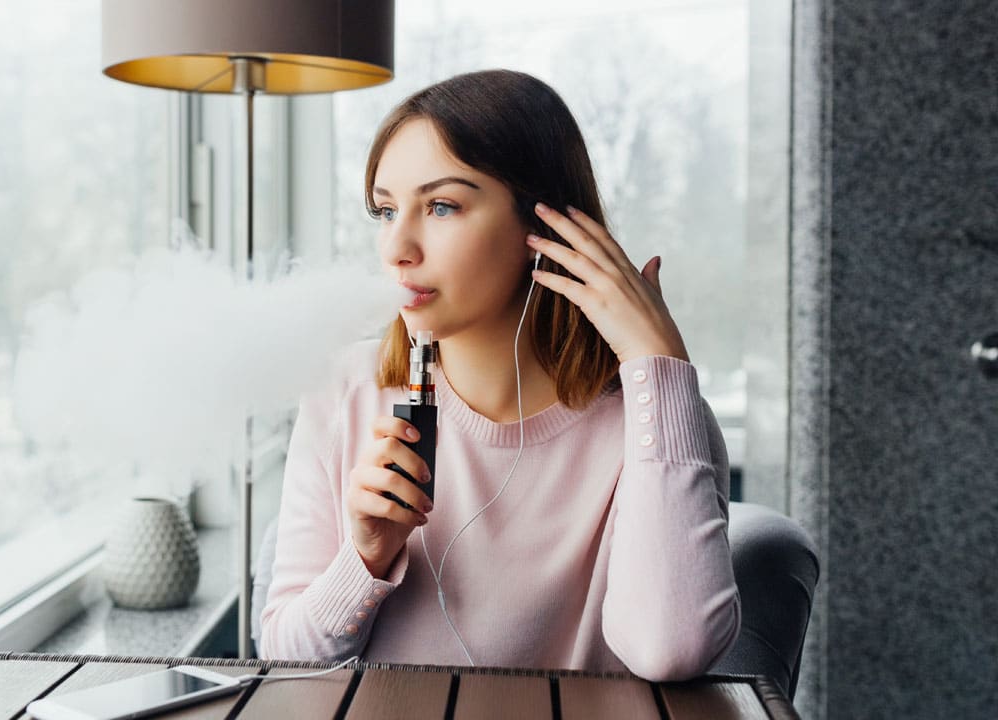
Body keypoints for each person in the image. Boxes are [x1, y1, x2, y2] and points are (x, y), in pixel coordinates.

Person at [258, 69, 739, 681]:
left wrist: (658, 363)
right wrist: (366, 557)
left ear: (542, 226)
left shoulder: (656, 416)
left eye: (440, 206)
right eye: (384, 210)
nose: (396, 247)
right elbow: (281, 660)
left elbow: (671, 649)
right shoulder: (344, 392)